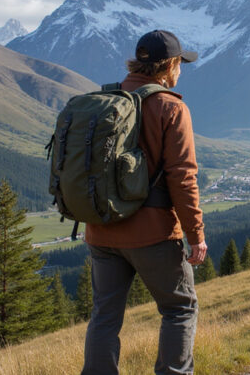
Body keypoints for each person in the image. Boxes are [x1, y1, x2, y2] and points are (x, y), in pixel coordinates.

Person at [81, 30, 207, 375]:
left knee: (105, 318)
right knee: (179, 308)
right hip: (152, 234)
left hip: (102, 231)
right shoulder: (171, 107)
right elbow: (182, 178)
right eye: (180, 63)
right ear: (170, 65)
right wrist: (196, 234)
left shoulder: (106, 101)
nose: (180, 69)